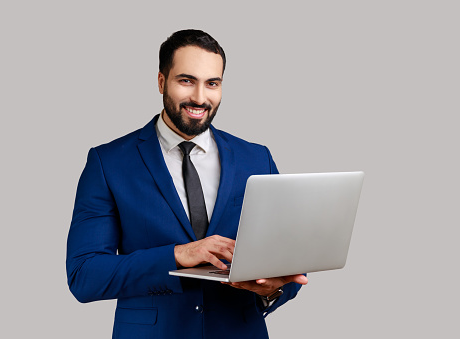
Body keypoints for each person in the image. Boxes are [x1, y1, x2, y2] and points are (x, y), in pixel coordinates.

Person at [66, 29, 308, 339]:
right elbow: (85, 275)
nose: (199, 97)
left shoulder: (256, 158)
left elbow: (288, 255)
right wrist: (179, 254)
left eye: (212, 83)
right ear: (161, 81)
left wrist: (271, 291)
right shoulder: (108, 162)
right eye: (186, 81)